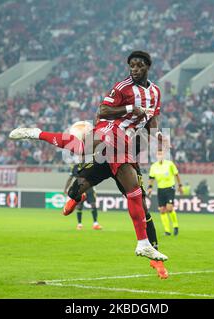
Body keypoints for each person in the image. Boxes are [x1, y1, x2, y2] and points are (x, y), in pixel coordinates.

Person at [9, 51, 168, 262]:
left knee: (134, 193)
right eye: (132, 66)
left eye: (139, 66)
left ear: (148, 67)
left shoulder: (155, 92)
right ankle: (36, 133)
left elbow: (152, 118)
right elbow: (103, 111)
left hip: (126, 144)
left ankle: (143, 244)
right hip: (111, 127)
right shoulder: (122, 87)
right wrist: (131, 108)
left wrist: (156, 135)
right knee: (82, 148)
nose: (135, 70)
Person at [147, 150, 182, 236]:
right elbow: (151, 178)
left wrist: (180, 185)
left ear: (164, 155)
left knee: (169, 208)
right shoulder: (154, 166)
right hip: (160, 189)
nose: (160, 156)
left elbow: (176, 174)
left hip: (170, 188)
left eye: (161, 154)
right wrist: (150, 188)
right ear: (156, 156)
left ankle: (175, 226)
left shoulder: (169, 164)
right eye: (158, 154)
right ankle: (167, 231)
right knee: (162, 210)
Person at [64, 164, 102, 230]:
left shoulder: (90, 165)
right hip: (79, 188)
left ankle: (95, 224)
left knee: (93, 205)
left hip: (89, 188)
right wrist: (66, 188)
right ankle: (79, 224)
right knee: (79, 206)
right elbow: (70, 178)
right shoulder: (75, 167)